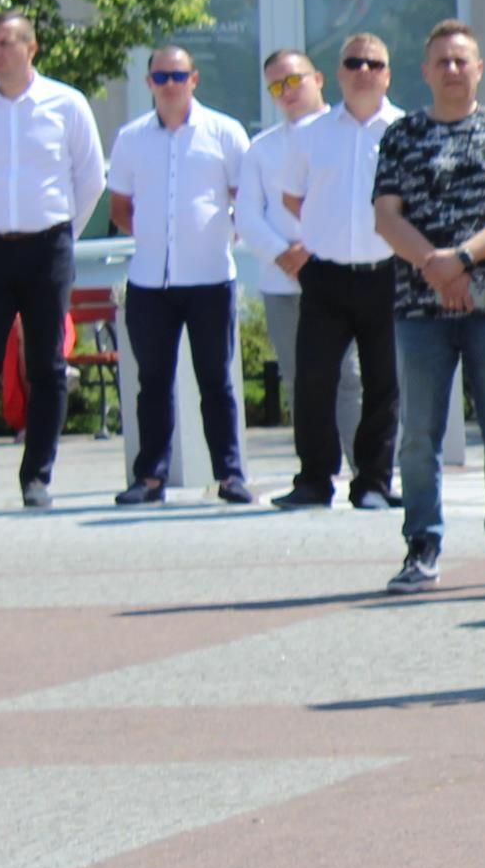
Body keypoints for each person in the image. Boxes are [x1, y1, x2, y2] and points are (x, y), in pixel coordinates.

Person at [371, 21, 485, 593]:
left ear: (479, 68)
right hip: (419, 306)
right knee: (418, 433)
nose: (451, 70)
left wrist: (461, 260)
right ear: (425, 71)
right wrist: (433, 266)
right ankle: (421, 545)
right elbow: (386, 217)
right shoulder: (402, 135)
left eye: (461, 61)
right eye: (441, 61)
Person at [0, 10, 106, 514]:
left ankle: (37, 477)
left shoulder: (66, 104)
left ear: (32, 48)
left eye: (5, 43)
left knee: (47, 364)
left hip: (46, 247)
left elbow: (89, 178)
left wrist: (58, 231)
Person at [104, 45, 256, 505]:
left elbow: (244, 197)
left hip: (210, 276)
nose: (169, 84)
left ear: (194, 79)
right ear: (149, 82)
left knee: (216, 380)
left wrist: (214, 234)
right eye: (160, 76)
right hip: (151, 279)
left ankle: (230, 476)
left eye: (177, 75)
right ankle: (150, 477)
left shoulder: (224, 131)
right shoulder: (131, 138)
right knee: (153, 381)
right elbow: (120, 208)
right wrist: (157, 238)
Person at [272, 33, 403, 510]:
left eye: (374, 63)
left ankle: (372, 481)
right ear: (339, 73)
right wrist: (327, 225)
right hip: (325, 273)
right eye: (354, 62)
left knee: (383, 381)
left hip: (386, 271)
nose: (363, 71)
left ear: (388, 74)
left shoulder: (405, 130)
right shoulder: (313, 132)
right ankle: (313, 479)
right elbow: (291, 195)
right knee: (313, 379)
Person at [236, 49, 342, 456]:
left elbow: (359, 204)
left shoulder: (346, 132)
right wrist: (285, 255)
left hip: (340, 272)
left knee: (350, 377)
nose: (287, 92)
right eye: (277, 86)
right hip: (283, 280)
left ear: (318, 78)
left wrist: (312, 250)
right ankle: (316, 470)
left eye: (294, 80)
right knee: (300, 379)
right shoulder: (262, 148)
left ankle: (363, 468)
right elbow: (247, 215)